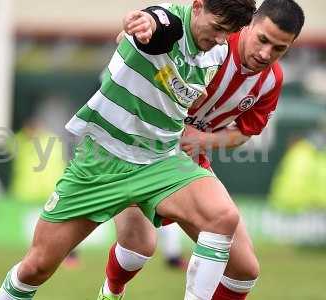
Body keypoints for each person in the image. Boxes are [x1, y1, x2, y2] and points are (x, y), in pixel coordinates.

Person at [0, 1, 256, 299]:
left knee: (222, 216)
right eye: (218, 28)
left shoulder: (218, 50)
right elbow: (158, 24)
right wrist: (143, 24)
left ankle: (115, 292)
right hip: (103, 161)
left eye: (229, 33)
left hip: (161, 160)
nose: (221, 39)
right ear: (197, 7)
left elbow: (185, 85)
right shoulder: (169, 23)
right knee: (36, 267)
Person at [98, 0, 305, 299]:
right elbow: (140, 37)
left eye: (279, 49)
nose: (265, 54)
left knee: (244, 270)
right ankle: (110, 292)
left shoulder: (272, 80)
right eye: (263, 39)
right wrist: (138, 29)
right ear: (248, 24)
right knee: (138, 248)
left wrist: (201, 140)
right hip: (140, 150)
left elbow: (244, 133)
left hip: (189, 161)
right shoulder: (212, 38)